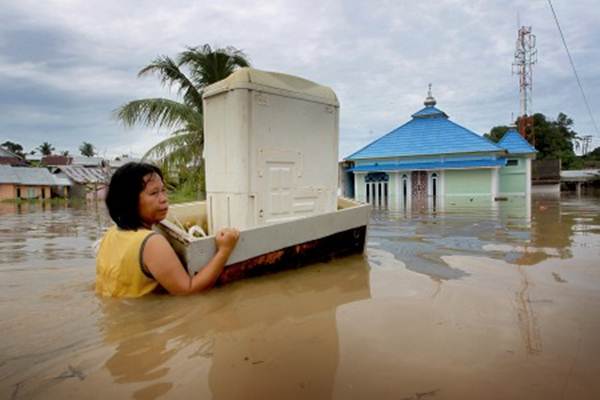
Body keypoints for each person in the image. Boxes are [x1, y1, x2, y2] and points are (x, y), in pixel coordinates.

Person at [96, 162, 239, 297]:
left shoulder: (111, 232)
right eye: (154, 193)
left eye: (163, 190)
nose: (164, 199)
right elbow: (188, 291)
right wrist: (224, 250)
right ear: (129, 202)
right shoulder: (151, 243)